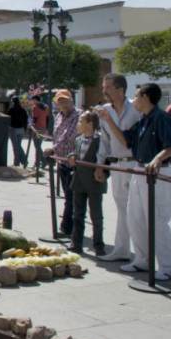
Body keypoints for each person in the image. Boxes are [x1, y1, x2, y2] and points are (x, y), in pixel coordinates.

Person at [98, 83, 171, 280]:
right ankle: (143, 260)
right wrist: (108, 120)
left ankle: (169, 267)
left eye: (136, 96)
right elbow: (126, 140)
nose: (133, 100)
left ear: (145, 97)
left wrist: (157, 159)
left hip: (157, 175)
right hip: (139, 171)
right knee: (135, 218)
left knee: (157, 220)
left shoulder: (161, 118)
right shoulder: (143, 120)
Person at [96, 73, 141, 262]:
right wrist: (100, 165)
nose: (104, 90)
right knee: (122, 208)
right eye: (103, 87)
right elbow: (104, 141)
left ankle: (142, 253)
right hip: (116, 165)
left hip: (135, 163)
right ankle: (122, 249)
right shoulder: (105, 110)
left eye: (107, 87)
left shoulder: (136, 108)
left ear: (120, 90)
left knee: (138, 209)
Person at [66, 111, 108, 255]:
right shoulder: (79, 139)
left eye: (80, 121)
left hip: (94, 183)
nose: (78, 124)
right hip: (79, 182)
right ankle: (76, 243)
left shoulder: (100, 140)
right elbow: (75, 153)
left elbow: (107, 160)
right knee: (77, 214)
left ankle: (99, 245)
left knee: (96, 216)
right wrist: (71, 156)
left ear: (90, 124)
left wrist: (104, 174)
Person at [43, 89, 80, 237]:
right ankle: (70, 226)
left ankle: (67, 227)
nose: (63, 104)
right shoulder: (58, 116)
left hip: (74, 162)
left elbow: (71, 137)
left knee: (72, 197)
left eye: (65, 100)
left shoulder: (79, 116)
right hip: (61, 161)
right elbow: (57, 136)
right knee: (68, 195)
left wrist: (53, 149)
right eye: (60, 101)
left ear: (71, 100)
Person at [7, 96, 28, 167]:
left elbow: (8, 120)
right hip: (21, 129)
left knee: (15, 147)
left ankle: (17, 162)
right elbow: (26, 120)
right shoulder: (23, 110)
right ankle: (24, 161)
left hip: (13, 129)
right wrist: (25, 129)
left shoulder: (11, 110)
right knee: (18, 146)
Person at [29, 98, 49, 168]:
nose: (31, 101)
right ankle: (37, 162)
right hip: (43, 128)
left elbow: (34, 119)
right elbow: (47, 118)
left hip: (37, 129)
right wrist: (46, 128)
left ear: (35, 100)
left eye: (32, 100)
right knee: (38, 146)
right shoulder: (45, 107)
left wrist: (31, 125)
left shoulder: (35, 108)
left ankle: (43, 161)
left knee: (37, 146)